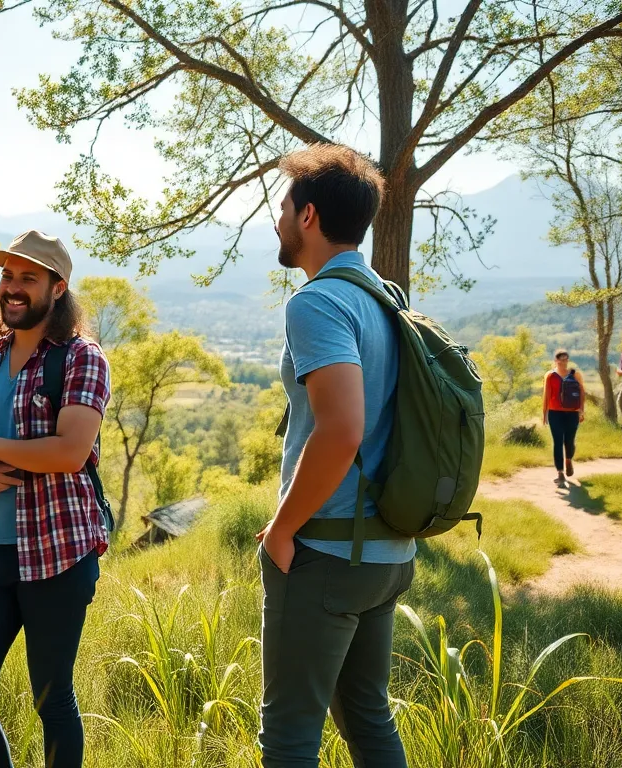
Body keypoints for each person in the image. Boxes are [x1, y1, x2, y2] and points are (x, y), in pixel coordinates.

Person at [254, 144, 414, 768]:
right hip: (385, 551)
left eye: (283, 206)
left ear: (309, 217)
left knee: (290, 738)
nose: (278, 219)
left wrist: (282, 531)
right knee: (368, 718)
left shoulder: (317, 302)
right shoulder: (385, 297)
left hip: (326, 553)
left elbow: (341, 429)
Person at [0, 231, 110, 768]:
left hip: (58, 553)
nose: (12, 289)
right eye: (7, 277)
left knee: (50, 697)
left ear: (57, 289)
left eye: (27, 278)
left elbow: (71, 451)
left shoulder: (81, 358)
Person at [542, 349, 586, 485]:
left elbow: (582, 392)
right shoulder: (550, 375)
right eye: (561, 360)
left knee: (570, 440)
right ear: (556, 361)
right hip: (555, 413)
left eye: (566, 359)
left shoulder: (575, 374)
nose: (563, 362)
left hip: (572, 412)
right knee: (557, 442)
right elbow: (546, 395)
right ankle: (560, 472)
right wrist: (545, 414)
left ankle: (568, 460)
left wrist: (581, 410)